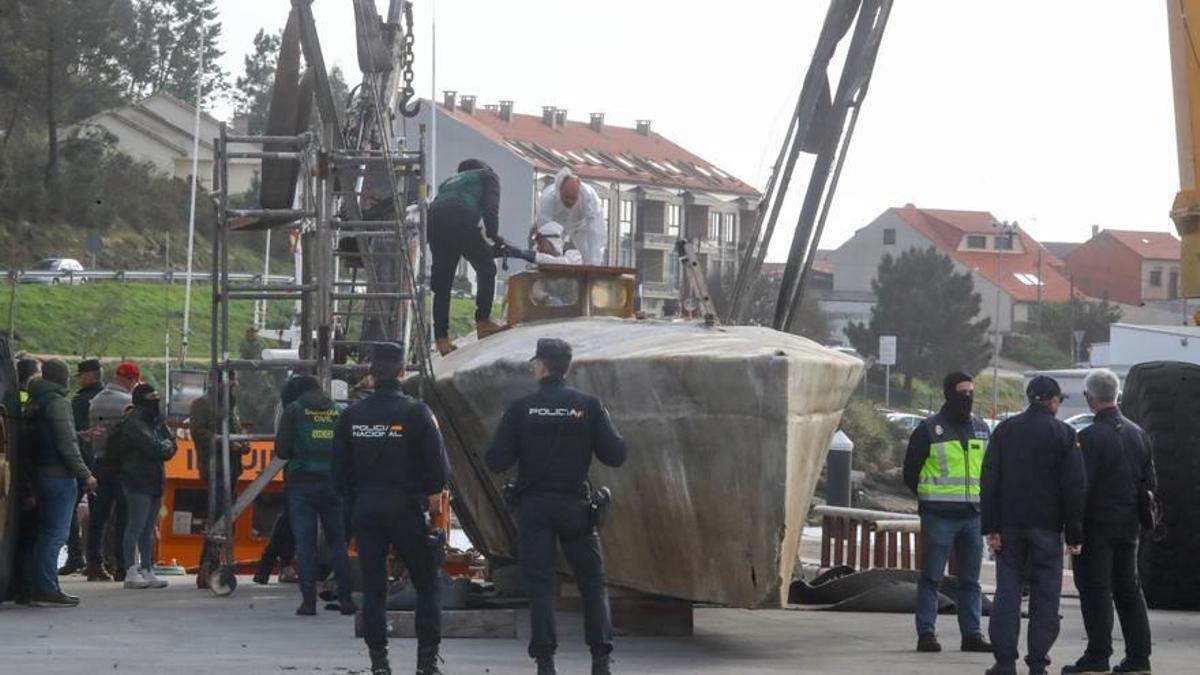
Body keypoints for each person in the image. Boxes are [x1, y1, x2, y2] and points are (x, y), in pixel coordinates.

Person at [485, 338, 628, 675]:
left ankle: (546, 663)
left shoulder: (521, 408)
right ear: (567, 368)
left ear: (541, 366)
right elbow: (616, 454)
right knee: (592, 583)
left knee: (539, 584)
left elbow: (495, 460)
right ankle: (600, 660)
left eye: (535, 362)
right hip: (576, 508)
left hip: (534, 507)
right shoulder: (589, 406)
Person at [333, 343, 449, 675]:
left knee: (373, 588)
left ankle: (379, 663)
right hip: (406, 509)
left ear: (372, 372)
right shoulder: (418, 413)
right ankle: (426, 663)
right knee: (427, 583)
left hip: (367, 509)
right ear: (402, 372)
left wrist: (357, 498)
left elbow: (337, 475)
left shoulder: (351, 416)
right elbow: (439, 472)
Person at [981, 375, 1087, 675]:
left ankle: (1004, 662)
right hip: (1048, 529)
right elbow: (1074, 487)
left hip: (1009, 526)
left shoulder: (1005, 430)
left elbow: (989, 480)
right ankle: (1038, 663)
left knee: (1007, 594)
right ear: (1053, 401)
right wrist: (1074, 533)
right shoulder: (1065, 434)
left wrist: (990, 527)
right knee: (1045, 596)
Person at [1062, 369, 1155, 674]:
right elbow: (1150, 482)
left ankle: (1098, 653)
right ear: (1117, 395)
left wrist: (1073, 531)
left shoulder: (1088, 437)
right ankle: (1139, 657)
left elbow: (1080, 488)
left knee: (1095, 590)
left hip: (1096, 527)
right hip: (1129, 527)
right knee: (1129, 590)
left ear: (1090, 398)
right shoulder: (1138, 433)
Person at [901, 371, 992, 654]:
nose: (967, 398)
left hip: (973, 516)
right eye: (962, 392)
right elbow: (909, 473)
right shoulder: (928, 429)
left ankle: (972, 635)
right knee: (931, 578)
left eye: (971, 392)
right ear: (948, 394)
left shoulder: (981, 428)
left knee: (971, 581)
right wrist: (929, 499)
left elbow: (990, 471)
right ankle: (926, 634)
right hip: (938, 516)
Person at [275, 375, 355, 616]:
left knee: (305, 544)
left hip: (301, 484)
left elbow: (282, 450)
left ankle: (308, 602)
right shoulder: (340, 411)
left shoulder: (295, 410)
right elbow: (347, 450)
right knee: (338, 543)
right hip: (333, 485)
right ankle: (347, 600)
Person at [24, 359, 97, 607]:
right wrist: (86, 474)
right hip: (59, 476)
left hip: (38, 474)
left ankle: (35, 584)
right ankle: (46, 586)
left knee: (41, 533)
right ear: (63, 378)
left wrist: (79, 435)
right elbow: (66, 446)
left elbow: (52, 435)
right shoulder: (58, 403)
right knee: (55, 535)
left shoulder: (35, 401)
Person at [428, 158, 505, 356]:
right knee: (486, 268)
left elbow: (443, 206)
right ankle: (483, 322)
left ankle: (442, 340)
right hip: (460, 216)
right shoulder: (488, 176)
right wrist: (494, 236)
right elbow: (491, 208)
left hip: (434, 220)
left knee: (442, 283)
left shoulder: (448, 183)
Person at [189, 370, 249, 589]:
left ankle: (211, 564)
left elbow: (234, 430)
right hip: (215, 469)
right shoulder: (202, 404)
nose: (234, 382)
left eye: (234, 377)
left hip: (231, 469)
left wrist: (242, 443)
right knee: (217, 520)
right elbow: (199, 433)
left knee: (224, 521)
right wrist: (227, 443)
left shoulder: (231, 405)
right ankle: (208, 564)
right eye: (230, 378)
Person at [115, 383, 176, 590]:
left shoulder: (155, 420)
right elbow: (158, 447)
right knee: (135, 526)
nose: (156, 401)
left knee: (149, 528)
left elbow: (169, 445)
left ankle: (147, 568)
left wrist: (165, 446)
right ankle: (130, 570)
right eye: (152, 397)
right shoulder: (135, 422)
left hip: (154, 480)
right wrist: (165, 446)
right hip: (137, 480)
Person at [87, 360, 140, 581]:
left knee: (98, 517)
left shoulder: (95, 401)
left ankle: (94, 565)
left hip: (99, 462)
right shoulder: (129, 403)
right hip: (123, 465)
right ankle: (122, 566)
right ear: (131, 380)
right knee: (124, 517)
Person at [59, 359, 104, 577]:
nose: (78, 379)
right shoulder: (104, 399)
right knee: (100, 515)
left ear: (89, 376)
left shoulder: (78, 402)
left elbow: (70, 435)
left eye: (80, 375)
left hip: (81, 463)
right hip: (103, 463)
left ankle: (75, 555)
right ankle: (98, 560)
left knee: (69, 511)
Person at [537, 167, 607, 265]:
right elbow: (545, 232)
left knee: (590, 257)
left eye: (573, 198)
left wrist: (595, 263)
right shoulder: (547, 200)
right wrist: (552, 255)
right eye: (566, 197)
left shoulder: (589, 197)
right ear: (559, 191)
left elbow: (596, 232)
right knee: (549, 257)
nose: (570, 202)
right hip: (556, 228)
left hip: (581, 226)